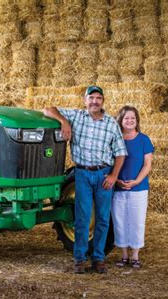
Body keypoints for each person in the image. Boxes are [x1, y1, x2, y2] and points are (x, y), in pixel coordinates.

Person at [43, 85, 127, 274]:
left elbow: (121, 153)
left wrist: (114, 175)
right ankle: (79, 259)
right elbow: (47, 109)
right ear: (85, 100)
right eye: (91, 98)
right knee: (82, 218)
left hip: (103, 174)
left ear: (103, 101)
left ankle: (98, 258)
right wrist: (63, 121)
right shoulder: (76, 117)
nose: (94, 101)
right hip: (81, 174)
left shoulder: (111, 123)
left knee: (103, 218)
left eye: (98, 98)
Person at [111, 106, 153, 269]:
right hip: (119, 186)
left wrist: (136, 181)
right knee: (120, 220)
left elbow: (147, 165)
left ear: (137, 121)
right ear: (120, 120)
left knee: (137, 221)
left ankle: (135, 255)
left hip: (139, 187)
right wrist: (117, 180)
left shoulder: (144, 140)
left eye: (133, 118)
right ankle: (124, 254)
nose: (129, 121)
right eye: (126, 118)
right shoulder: (115, 139)